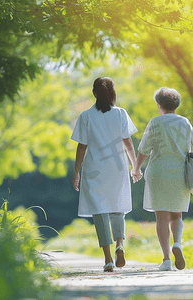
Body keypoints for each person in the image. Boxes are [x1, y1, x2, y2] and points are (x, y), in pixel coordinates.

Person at [71, 77, 138, 272]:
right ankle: (120, 244)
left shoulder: (86, 116)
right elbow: (128, 142)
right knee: (118, 208)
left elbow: (81, 147)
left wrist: (76, 172)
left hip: (94, 169)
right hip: (117, 167)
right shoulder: (120, 114)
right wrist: (135, 166)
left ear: (94, 93)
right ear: (113, 94)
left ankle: (108, 259)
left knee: (100, 212)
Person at [131, 87, 193, 271]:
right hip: (180, 173)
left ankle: (166, 260)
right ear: (176, 105)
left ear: (159, 105)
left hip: (159, 173)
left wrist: (136, 168)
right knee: (177, 214)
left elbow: (143, 149)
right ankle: (177, 243)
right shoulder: (185, 123)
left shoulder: (156, 122)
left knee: (161, 217)